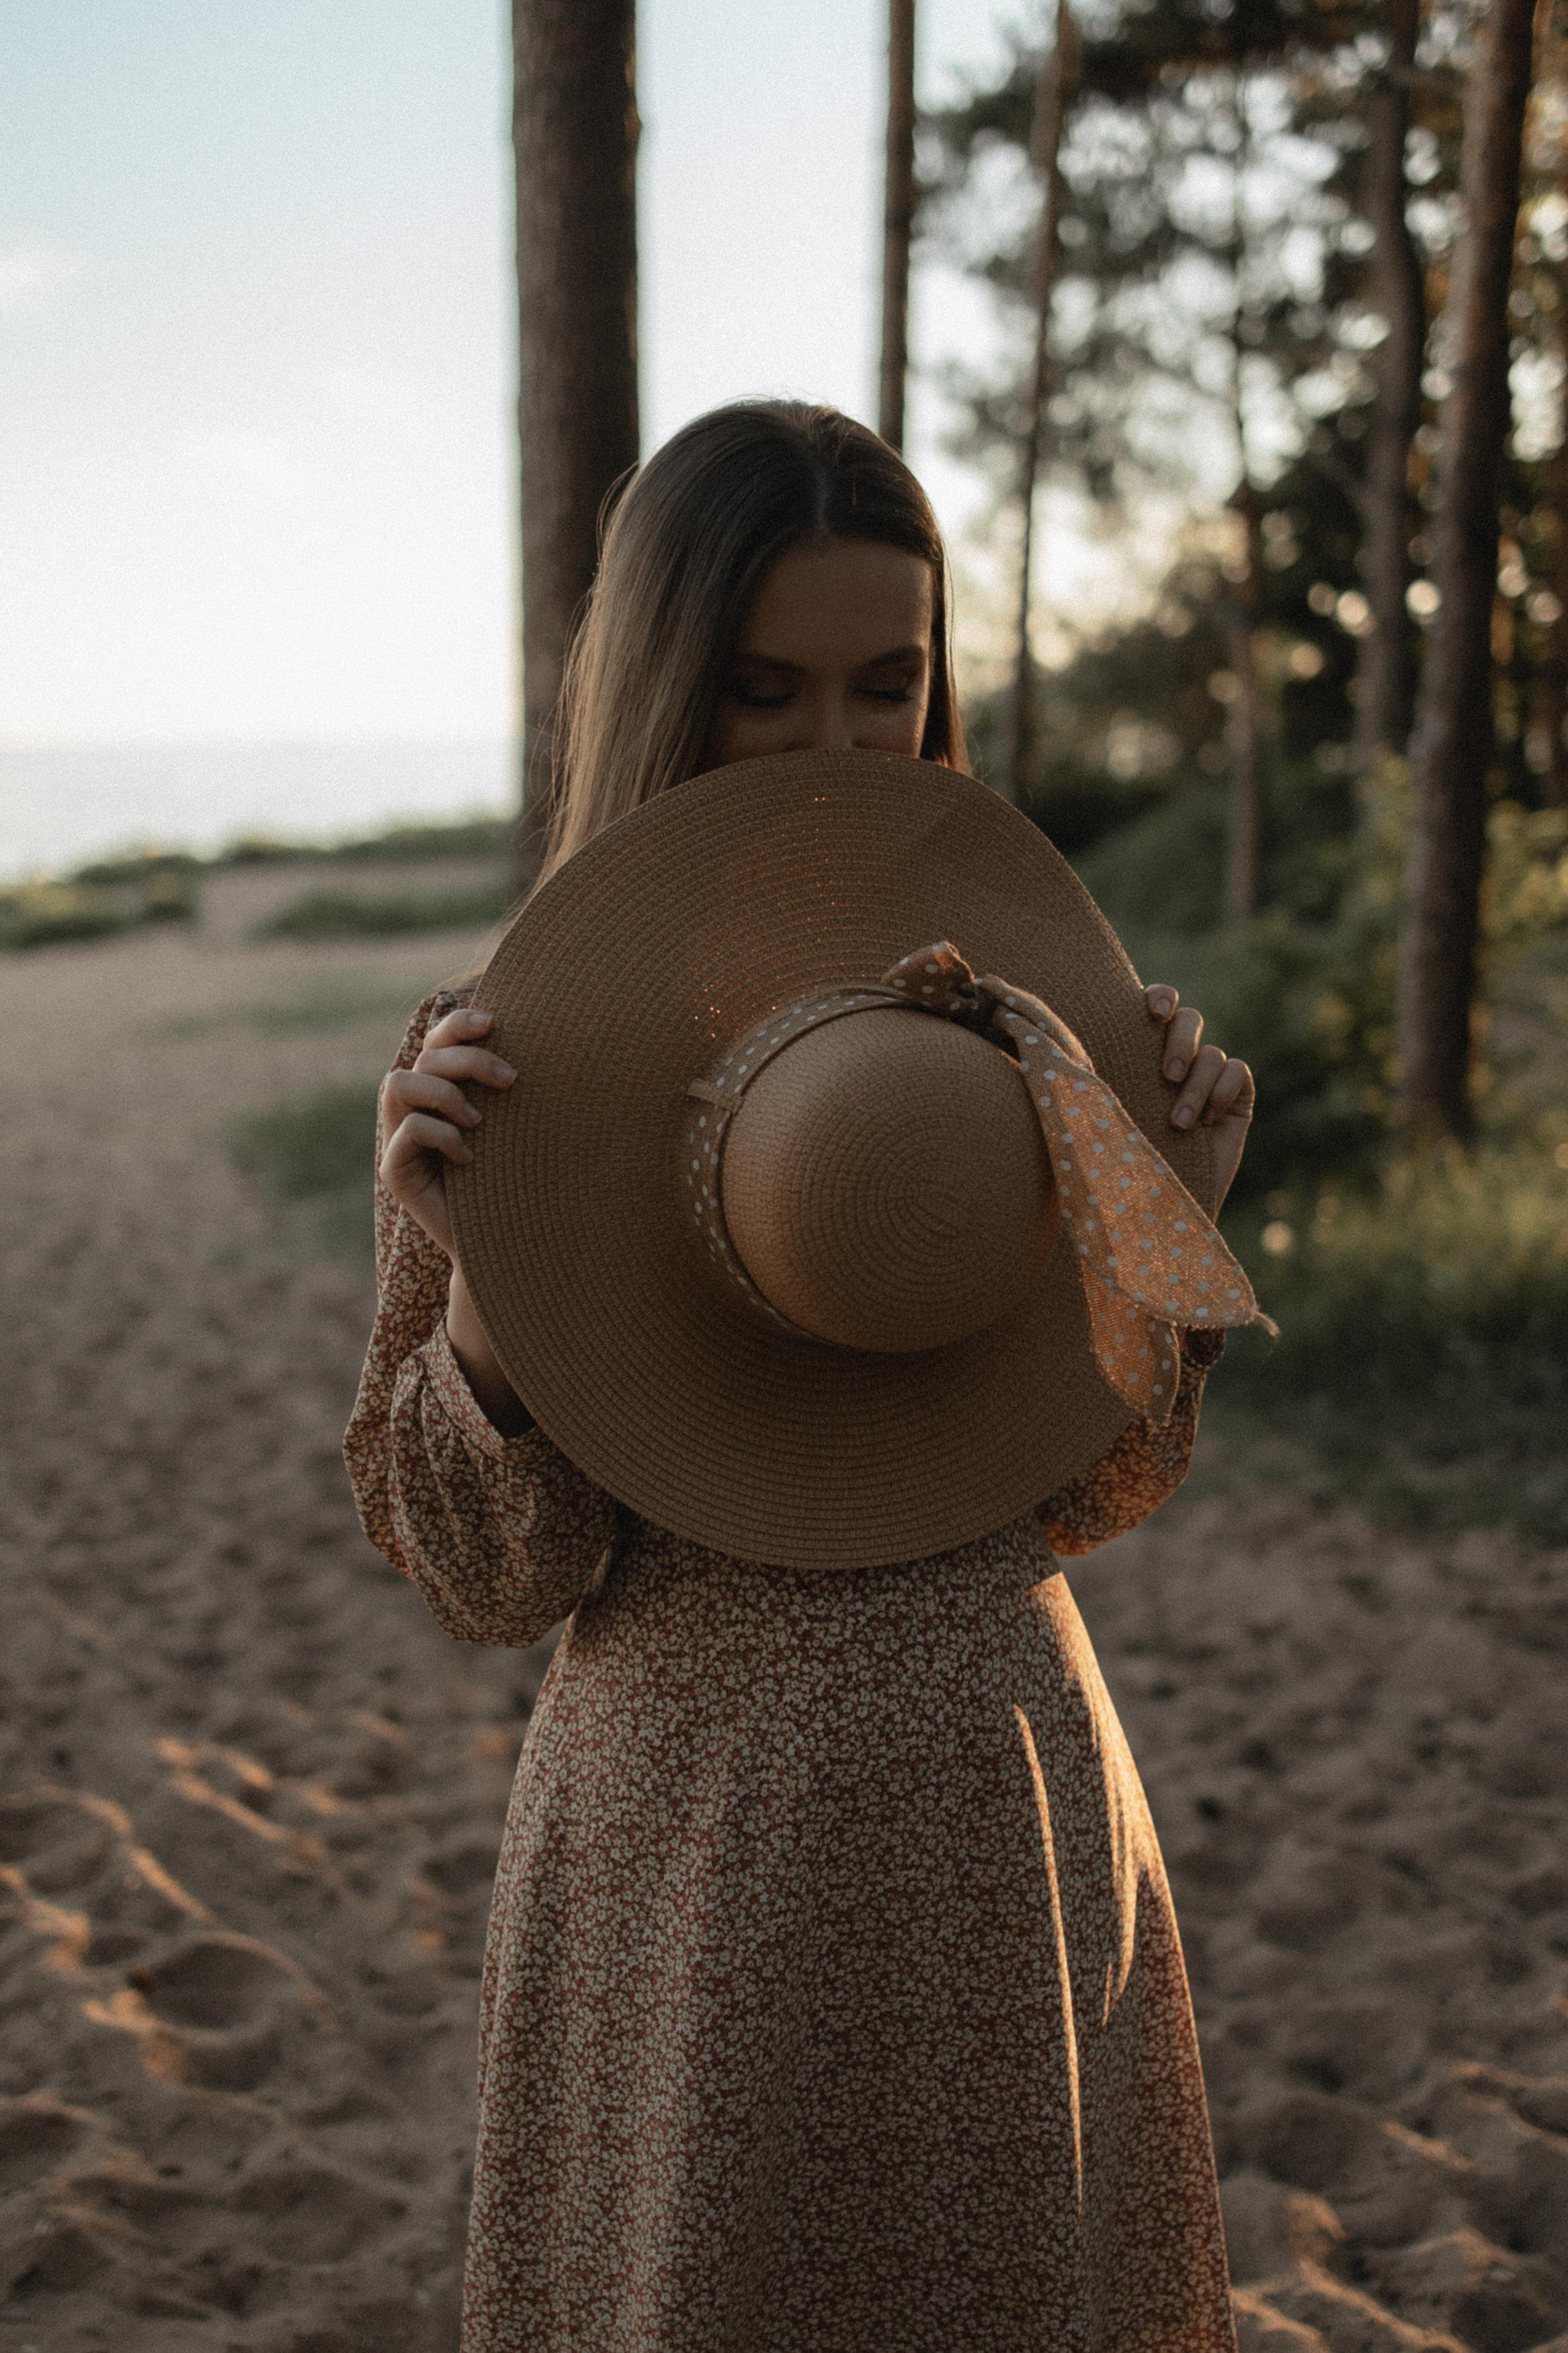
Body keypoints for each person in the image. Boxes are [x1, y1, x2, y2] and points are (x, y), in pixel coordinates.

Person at [345, 402, 1255, 2352]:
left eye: (887, 685)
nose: (838, 749)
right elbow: (492, 1580)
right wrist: (495, 1287)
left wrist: (1161, 1219)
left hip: (999, 1806)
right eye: (765, 689)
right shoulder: (498, 1058)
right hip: (686, 1859)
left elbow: (1092, 1490)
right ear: (666, 686)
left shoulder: (1015, 1026)